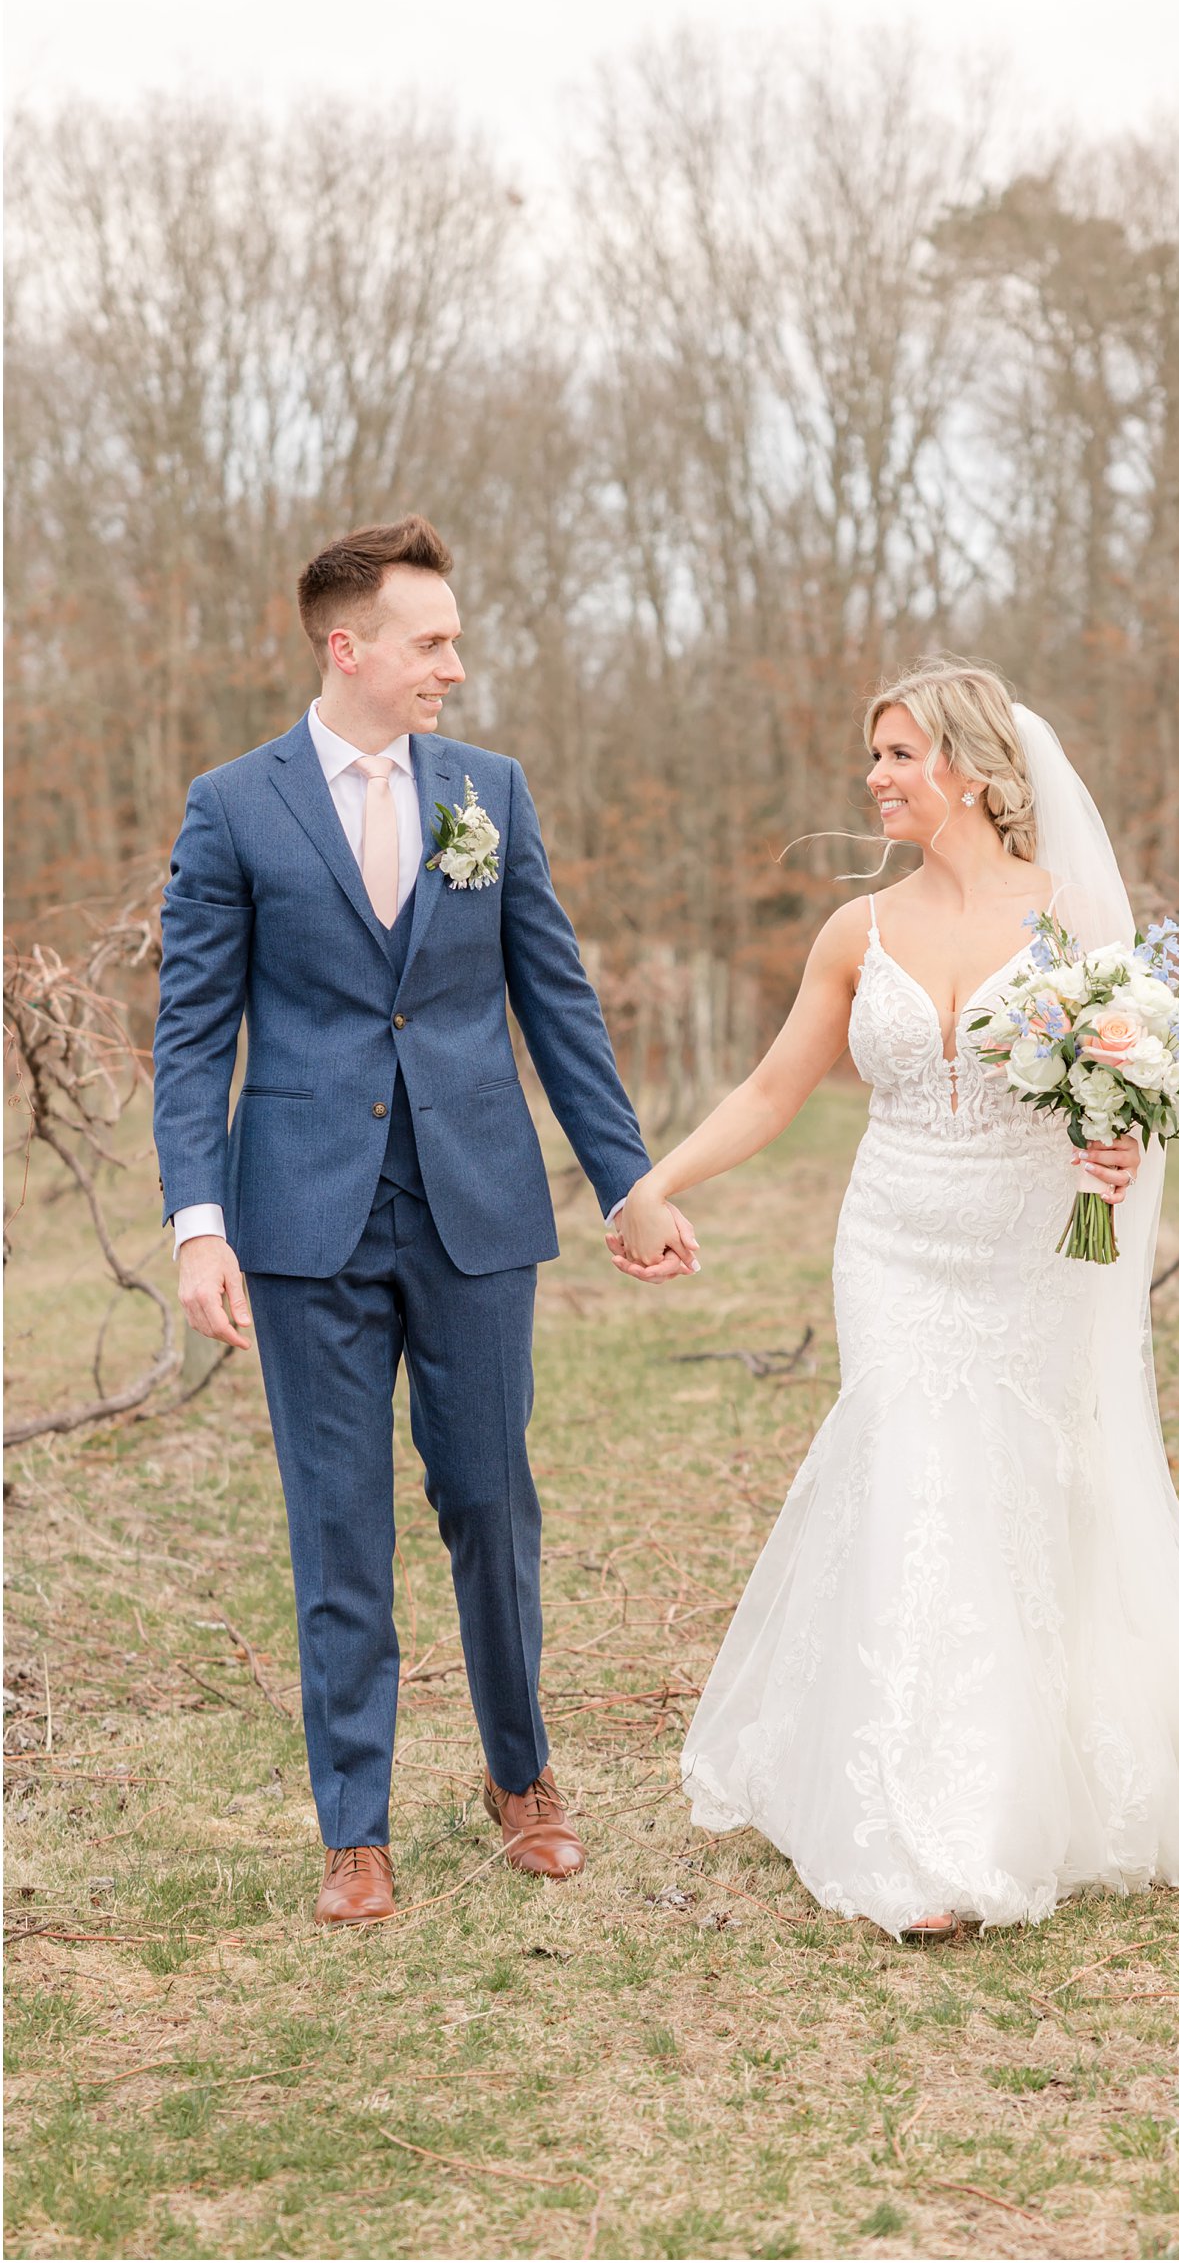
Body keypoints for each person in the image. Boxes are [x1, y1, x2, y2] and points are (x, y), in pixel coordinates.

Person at [611, 658, 1179, 1943]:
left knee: (1015, 1496)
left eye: (896, 754)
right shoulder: (853, 931)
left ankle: (1020, 1783)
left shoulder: (1072, 923)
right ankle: (924, 1824)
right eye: (870, 755)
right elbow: (770, 1091)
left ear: (971, 771)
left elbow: (1134, 1092)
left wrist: (1120, 1148)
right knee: (914, 1480)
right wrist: (653, 1184)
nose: (873, 778)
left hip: (1031, 1246)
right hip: (890, 1242)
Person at [153, 514, 696, 1924]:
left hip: (476, 1210)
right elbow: (194, 1033)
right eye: (432, 640)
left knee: (491, 1502)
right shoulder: (234, 805)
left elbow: (555, 1000)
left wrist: (629, 1179)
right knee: (337, 1521)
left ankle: (522, 1780)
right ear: (353, 647)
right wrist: (197, 1222)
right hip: (302, 1222)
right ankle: (355, 1827)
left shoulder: (489, 792)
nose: (454, 663)